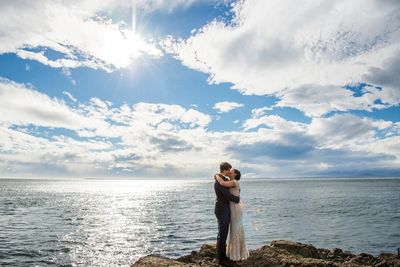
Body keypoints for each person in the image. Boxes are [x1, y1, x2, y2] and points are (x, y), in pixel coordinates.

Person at [215, 169, 249, 262]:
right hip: (233, 208)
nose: (230, 171)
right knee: (235, 230)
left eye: (232, 171)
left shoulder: (234, 182)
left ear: (235, 174)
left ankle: (237, 254)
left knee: (235, 230)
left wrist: (217, 176)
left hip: (235, 209)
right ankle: (236, 253)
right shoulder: (231, 181)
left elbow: (221, 183)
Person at [214, 162, 240, 267]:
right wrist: (237, 199)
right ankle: (221, 259)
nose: (230, 171)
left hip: (224, 209)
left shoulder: (222, 179)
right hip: (222, 210)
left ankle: (221, 256)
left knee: (223, 233)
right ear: (226, 169)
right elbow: (228, 196)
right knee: (222, 234)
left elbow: (234, 188)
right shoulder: (220, 181)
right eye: (229, 169)